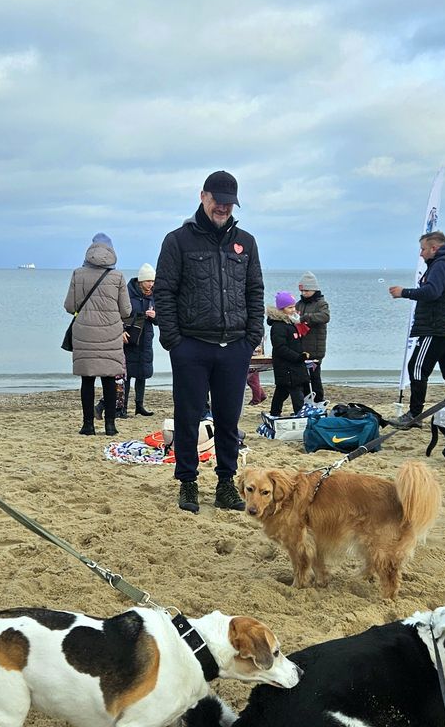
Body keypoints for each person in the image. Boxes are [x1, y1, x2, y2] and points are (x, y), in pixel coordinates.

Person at [154, 170, 264, 514]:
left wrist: (251, 337)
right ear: (203, 197)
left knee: (229, 419)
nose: (223, 208)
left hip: (234, 347)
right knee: (187, 417)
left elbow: (254, 290)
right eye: (218, 201)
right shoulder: (178, 241)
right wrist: (174, 341)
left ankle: (224, 484)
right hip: (192, 346)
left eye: (230, 203)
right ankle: (188, 482)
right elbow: (164, 292)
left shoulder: (245, 242)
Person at [388, 231, 445, 426]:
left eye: (423, 249)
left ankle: (414, 415)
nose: (421, 254)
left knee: (416, 368)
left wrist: (404, 292)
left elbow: (432, 291)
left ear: (434, 248)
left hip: (437, 327)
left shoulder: (442, 263)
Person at [65, 233, 132, 436]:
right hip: (110, 333)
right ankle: (110, 425)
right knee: (109, 379)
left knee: (87, 380)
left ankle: (88, 425)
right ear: (112, 253)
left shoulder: (78, 273)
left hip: (84, 332)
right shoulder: (118, 276)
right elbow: (126, 311)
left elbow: (70, 306)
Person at [267, 292, 309, 418]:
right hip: (286, 366)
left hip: (294, 365)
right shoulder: (278, 326)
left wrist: (301, 355)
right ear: (281, 309)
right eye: (289, 307)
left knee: (282, 391)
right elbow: (280, 348)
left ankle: (274, 413)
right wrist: (298, 357)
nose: (293, 310)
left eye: (293, 306)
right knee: (295, 391)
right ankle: (300, 415)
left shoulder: (291, 323)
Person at [124, 264, 157, 417]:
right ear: (140, 281)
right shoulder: (127, 293)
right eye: (148, 281)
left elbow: (161, 319)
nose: (151, 284)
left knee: (142, 372)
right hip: (130, 337)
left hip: (146, 338)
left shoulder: (154, 296)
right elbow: (122, 314)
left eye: (153, 281)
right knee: (126, 374)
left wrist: (155, 316)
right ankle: (122, 406)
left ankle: (139, 405)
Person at [296, 271, 330, 404]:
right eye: (302, 290)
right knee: (303, 379)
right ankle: (306, 402)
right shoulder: (299, 304)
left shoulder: (321, 303)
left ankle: (319, 402)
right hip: (302, 348)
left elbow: (325, 317)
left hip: (315, 349)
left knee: (315, 378)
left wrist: (306, 318)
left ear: (314, 289)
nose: (304, 293)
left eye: (307, 290)